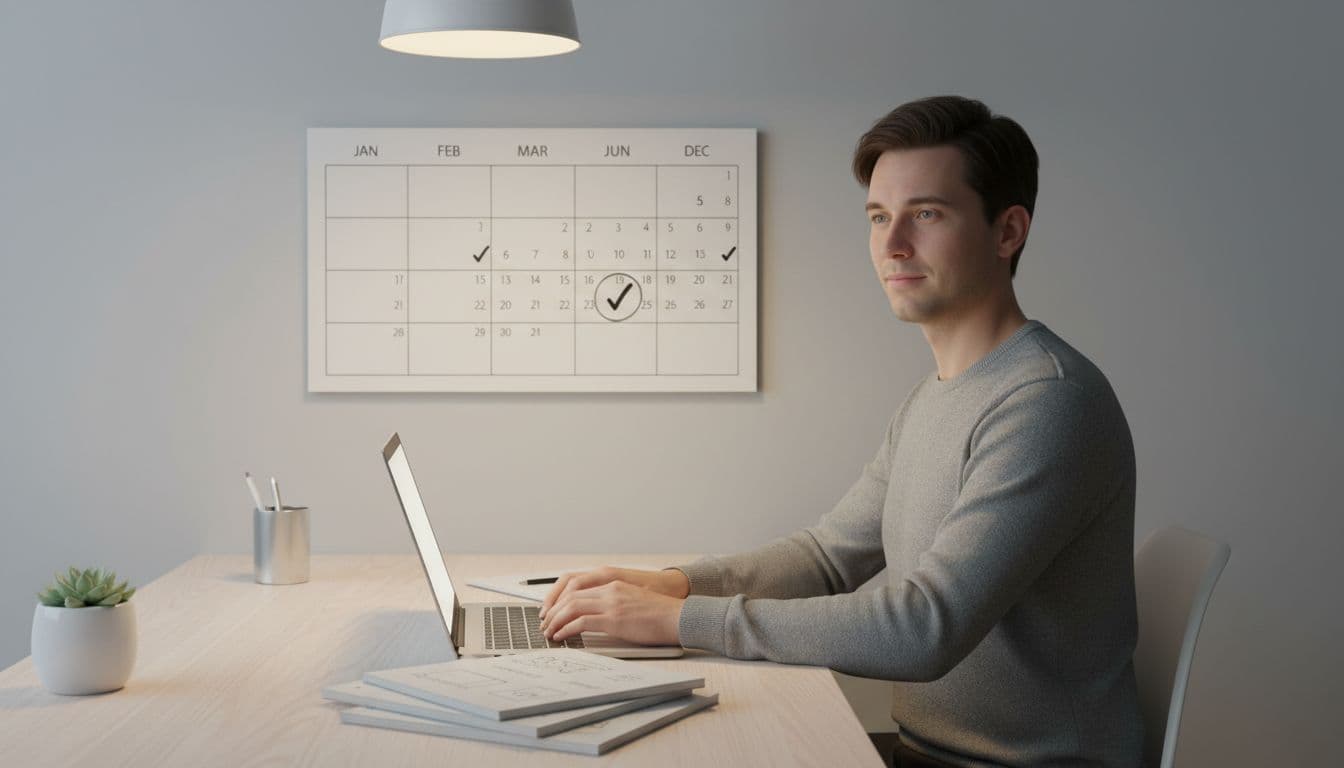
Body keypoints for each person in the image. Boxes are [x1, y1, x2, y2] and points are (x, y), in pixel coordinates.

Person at [538, 95, 1143, 767]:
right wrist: (672, 584)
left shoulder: (1047, 403)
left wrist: (681, 623)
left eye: (927, 214)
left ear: (1008, 232)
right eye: (879, 217)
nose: (891, 245)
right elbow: (828, 558)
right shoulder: (935, 397)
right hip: (928, 752)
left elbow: (923, 629)